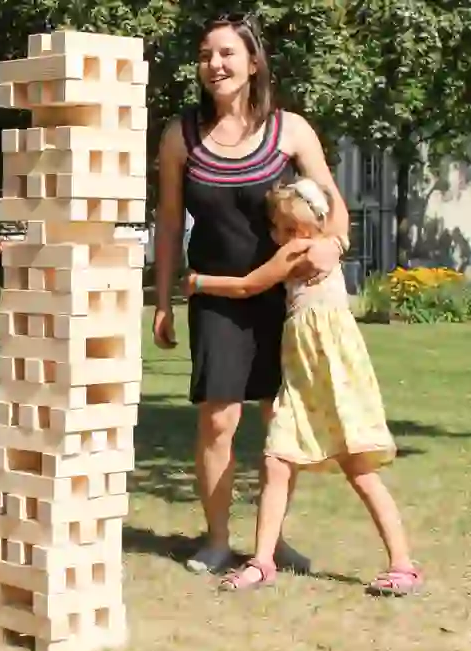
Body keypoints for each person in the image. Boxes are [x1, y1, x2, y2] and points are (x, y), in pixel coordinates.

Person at [152, 13, 349, 575]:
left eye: (226, 54)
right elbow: (169, 222)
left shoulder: (291, 131)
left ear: (253, 62)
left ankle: (271, 540)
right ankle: (217, 541)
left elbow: (333, 206)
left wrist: (333, 246)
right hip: (215, 295)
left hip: (284, 300)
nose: (214, 65)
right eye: (205, 55)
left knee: (280, 422)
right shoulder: (181, 136)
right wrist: (163, 301)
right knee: (218, 421)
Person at [181, 178, 422, 595]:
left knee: (359, 469)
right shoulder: (323, 245)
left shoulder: (303, 251)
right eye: (280, 228)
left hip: (331, 378)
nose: (287, 237)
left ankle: (402, 564)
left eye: (295, 227)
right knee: (278, 461)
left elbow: (248, 285)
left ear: (317, 223)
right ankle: (263, 561)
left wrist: (199, 283)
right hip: (302, 376)